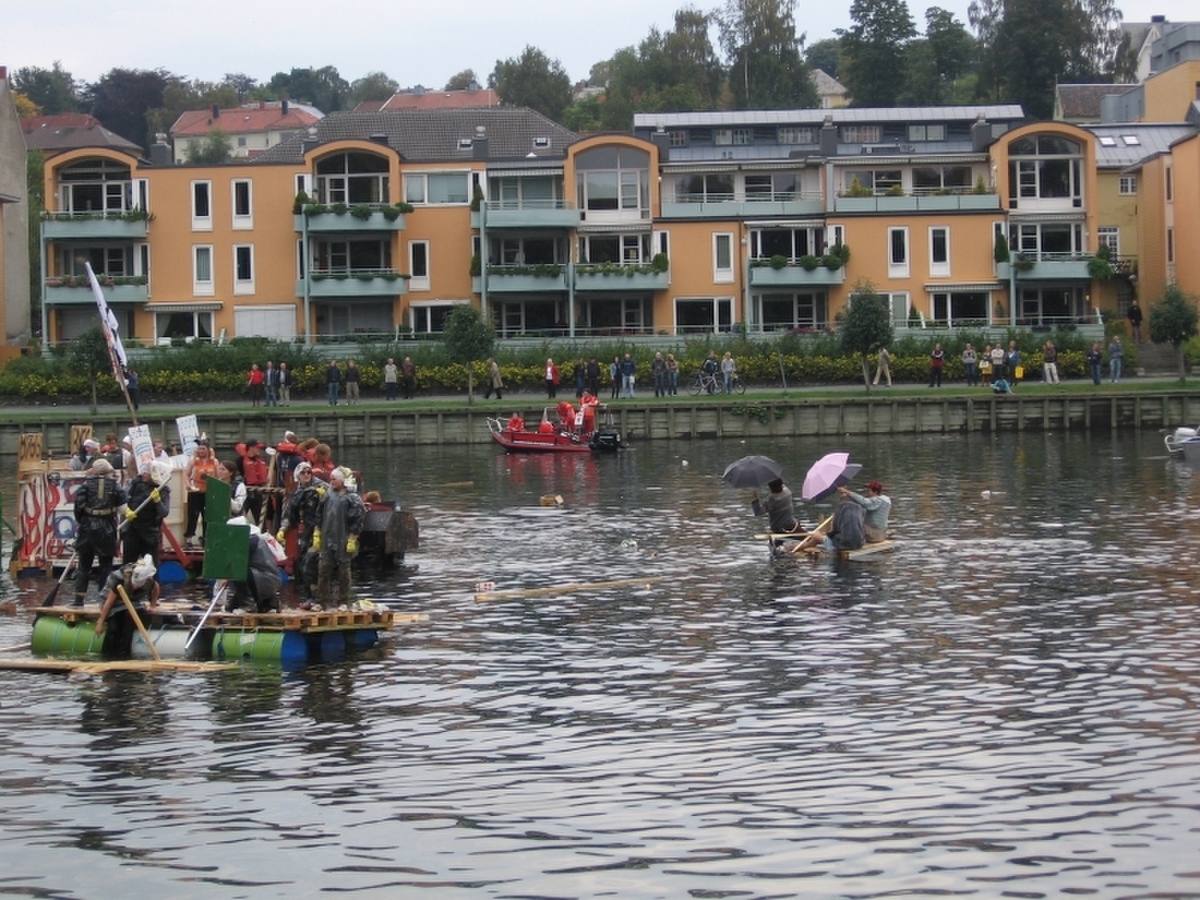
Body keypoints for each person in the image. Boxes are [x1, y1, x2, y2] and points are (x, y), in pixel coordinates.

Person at [72, 459, 126, 606]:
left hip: (87, 527)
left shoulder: (86, 485)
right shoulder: (115, 486)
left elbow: (78, 507)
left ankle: (78, 600)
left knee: (84, 565)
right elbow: (123, 509)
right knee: (106, 566)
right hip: (107, 527)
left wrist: (83, 521)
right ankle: (104, 599)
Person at [277, 461, 328, 605]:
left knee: (312, 563)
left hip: (323, 532)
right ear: (297, 475)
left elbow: (332, 509)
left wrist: (324, 497)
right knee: (302, 565)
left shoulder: (322, 488)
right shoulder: (298, 492)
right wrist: (282, 530)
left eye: (309, 472)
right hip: (307, 532)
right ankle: (309, 597)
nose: (306, 475)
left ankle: (318, 598)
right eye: (303, 473)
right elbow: (289, 512)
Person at [314, 467, 365, 610]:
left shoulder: (352, 498)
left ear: (343, 481)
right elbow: (319, 514)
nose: (331, 481)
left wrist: (353, 537)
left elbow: (358, 520)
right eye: (330, 479)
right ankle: (320, 602)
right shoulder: (327, 495)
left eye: (334, 479)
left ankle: (344, 601)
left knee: (344, 572)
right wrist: (317, 532)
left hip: (343, 538)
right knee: (323, 570)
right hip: (327, 537)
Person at [93, 555, 159, 656]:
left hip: (133, 603)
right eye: (134, 584)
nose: (134, 586)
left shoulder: (149, 580)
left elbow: (156, 587)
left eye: (138, 585)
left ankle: (124, 653)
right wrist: (100, 622)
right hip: (115, 604)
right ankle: (107, 654)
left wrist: (153, 605)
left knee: (129, 623)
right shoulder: (120, 580)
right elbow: (109, 602)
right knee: (113, 629)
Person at [224, 516, 282, 614]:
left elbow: (238, 566)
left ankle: (248, 605)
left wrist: (226, 577)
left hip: (264, 580)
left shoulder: (250, 542)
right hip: (268, 580)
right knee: (230, 608)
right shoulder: (256, 540)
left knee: (237, 570)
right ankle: (271, 603)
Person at [122, 462, 169, 567]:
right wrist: (126, 510)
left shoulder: (162, 489)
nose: (143, 474)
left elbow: (164, 512)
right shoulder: (135, 484)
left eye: (146, 473)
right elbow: (123, 499)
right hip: (132, 529)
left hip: (150, 532)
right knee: (128, 564)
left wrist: (157, 501)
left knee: (151, 565)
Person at [183, 439, 218, 548]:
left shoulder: (214, 461)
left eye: (203, 449)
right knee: (193, 515)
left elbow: (218, 476)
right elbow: (186, 474)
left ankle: (206, 538)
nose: (201, 451)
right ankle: (189, 539)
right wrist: (187, 484)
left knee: (207, 516)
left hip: (208, 492)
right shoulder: (193, 461)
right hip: (195, 491)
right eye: (199, 449)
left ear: (208, 450)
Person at [234, 439, 269, 525]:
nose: (259, 450)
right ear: (251, 448)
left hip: (257, 491)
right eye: (257, 448)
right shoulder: (240, 460)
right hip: (245, 492)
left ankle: (261, 532)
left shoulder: (259, 460)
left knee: (260, 517)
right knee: (240, 517)